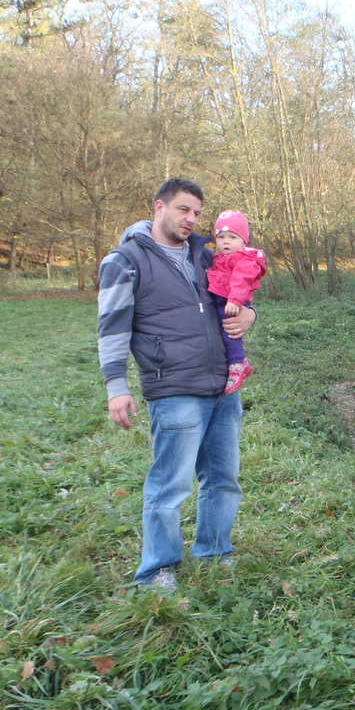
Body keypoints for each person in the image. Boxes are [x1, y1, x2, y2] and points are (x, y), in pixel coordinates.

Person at [97, 178, 256, 590]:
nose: (191, 219)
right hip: (174, 388)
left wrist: (251, 316)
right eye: (184, 210)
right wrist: (117, 384)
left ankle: (215, 551)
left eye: (198, 213)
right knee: (170, 486)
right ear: (159, 207)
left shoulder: (205, 257)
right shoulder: (126, 260)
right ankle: (156, 571)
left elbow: (239, 294)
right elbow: (112, 326)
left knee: (224, 479)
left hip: (222, 385)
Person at [206, 210, 267, 394]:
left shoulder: (245, 260)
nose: (225, 241)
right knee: (221, 330)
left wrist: (235, 300)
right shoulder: (219, 259)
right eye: (221, 237)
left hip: (232, 303)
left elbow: (241, 280)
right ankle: (241, 362)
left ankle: (237, 364)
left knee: (230, 332)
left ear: (243, 241)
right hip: (221, 301)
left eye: (232, 237)